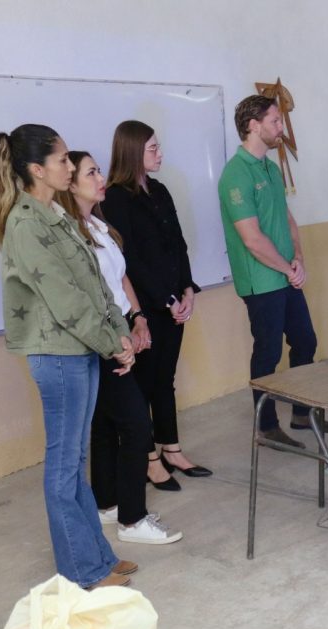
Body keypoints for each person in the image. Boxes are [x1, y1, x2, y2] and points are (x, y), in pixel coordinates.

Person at [0, 124, 137, 588]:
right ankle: (81, 569)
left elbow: (93, 283)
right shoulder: (27, 223)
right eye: (63, 160)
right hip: (59, 354)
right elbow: (66, 299)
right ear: (36, 169)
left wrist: (120, 330)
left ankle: (97, 557)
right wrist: (112, 341)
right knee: (63, 463)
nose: (70, 167)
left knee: (74, 460)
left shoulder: (54, 213)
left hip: (79, 349)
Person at [57, 151, 183, 544]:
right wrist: (116, 339)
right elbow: (85, 296)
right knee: (133, 423)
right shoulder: (68, 232)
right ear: (70, 183)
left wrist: (139, 316)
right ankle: (133, 519)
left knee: (108, 425)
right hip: (100, 339)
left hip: (120, 326)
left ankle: (108, 503)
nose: (101, 179)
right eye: (91, 172)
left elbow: (121, 277)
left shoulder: (98, 224)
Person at [102, 120, 210, 487]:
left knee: (165, 379)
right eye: (153, 148)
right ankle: (149, 458)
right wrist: (164, 300)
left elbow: (177, 244)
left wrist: (188, 289)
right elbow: (127, 258)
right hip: (146, 309)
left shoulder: (160, 190)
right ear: (132, 151)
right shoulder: (116, 197)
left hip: (174, 302)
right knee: (145, 383)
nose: (160, 154)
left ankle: (171, 447)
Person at [218, 95, 318, 447]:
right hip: (262, 281)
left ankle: (303, 414)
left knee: (306, 341)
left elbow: (287, 219)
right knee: (268, 353)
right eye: (275, 121)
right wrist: (288, 270)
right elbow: (252, 239)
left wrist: (300, 259)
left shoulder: (270, 168)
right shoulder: (236, 173)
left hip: (286, 273)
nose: (281, 128)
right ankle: (266, 426)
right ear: (253, 126)